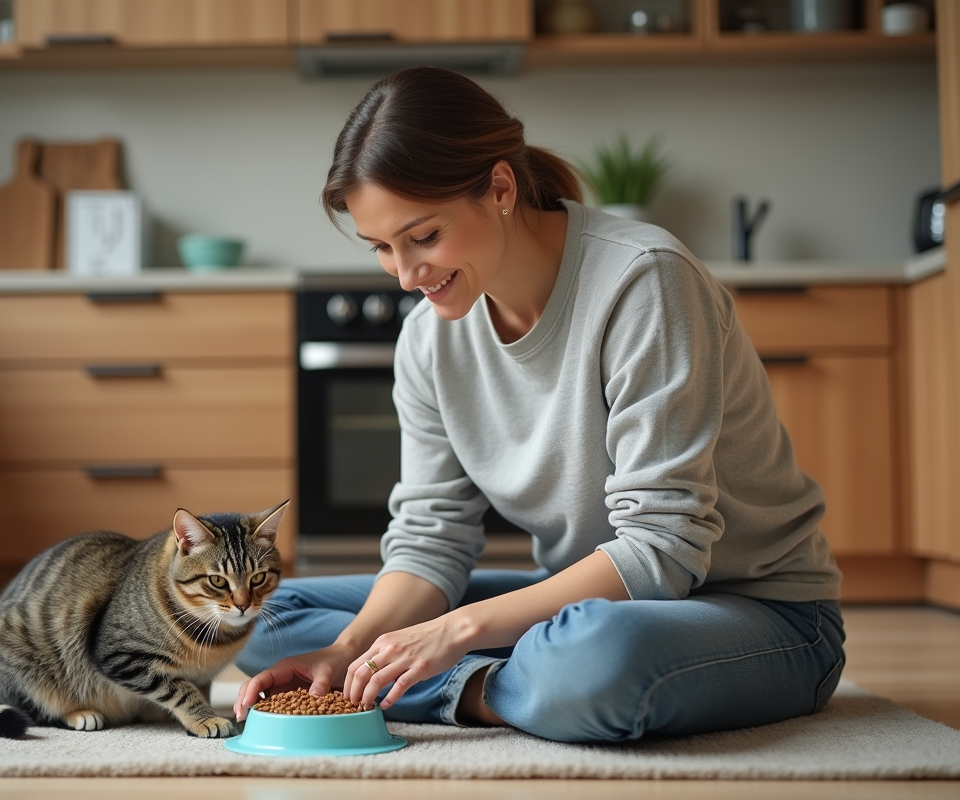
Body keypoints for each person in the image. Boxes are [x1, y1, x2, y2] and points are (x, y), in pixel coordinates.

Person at [234, 66, 845, 743]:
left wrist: (456, 631)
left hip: (754, 610)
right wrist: (348, 651)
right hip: (588, 597)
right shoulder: (428, 338)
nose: (406, 276)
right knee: (265, 619)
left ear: (500, 189)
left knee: (596, 655)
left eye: (424, 237)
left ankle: (506, 681)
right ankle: (510, 687)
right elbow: (432, 537)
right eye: (382, 248)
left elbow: (664, 549)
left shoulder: (643, 281)